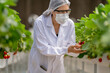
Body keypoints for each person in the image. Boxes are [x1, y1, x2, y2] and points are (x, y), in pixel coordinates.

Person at [27, 0, 86, 73]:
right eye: (61, 11)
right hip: (40, 66)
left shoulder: (70, 24)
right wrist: (67, 49)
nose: (65, 14)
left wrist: (76, 48)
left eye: (67, 11)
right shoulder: (40, 23)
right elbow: (43, 48)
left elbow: (69, 47)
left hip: (58, 67)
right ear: (52, 11)